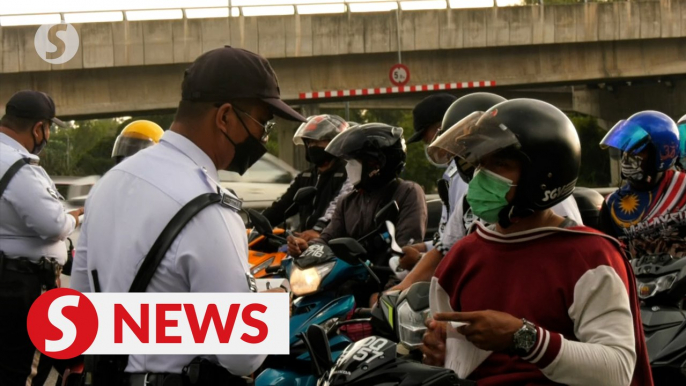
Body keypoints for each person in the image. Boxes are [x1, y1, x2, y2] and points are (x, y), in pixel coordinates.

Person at [70, 46, 306, 383]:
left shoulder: (108, 186)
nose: (262, 139)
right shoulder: (210, 209)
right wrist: (268, 313)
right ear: (224, 117)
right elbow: (241, 355)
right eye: (262, 125)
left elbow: (82, 312)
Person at [420, 99, 651, 386]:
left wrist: (524, 338)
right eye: (480, 163)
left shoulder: (589, 257)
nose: (480, 176)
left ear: (541, 176)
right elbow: (455, 363)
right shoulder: (460, 259)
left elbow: (616, 371)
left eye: (500, 164)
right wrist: (439, 355)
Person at [372, 95, 583, 305]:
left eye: (499, 163)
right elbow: (445, 250)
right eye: (477, 160)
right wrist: (396, 294)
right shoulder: (469, 207)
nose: (478, 171)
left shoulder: (554, 212)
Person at [0, 90, 83, 385]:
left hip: (9, 277)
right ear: (38, 129)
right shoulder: (19, 166)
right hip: (20, 286)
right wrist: (74, 217)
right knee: (22, 373)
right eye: (48, 128)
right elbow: (52, 224)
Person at [287, 123, 427, 267]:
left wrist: (391, 288)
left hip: (384, 279)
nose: (348, 166)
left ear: (375, 164)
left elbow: (406, 251)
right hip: (349, 279)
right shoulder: (348, 201)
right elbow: (327, 239)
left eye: (353, 161)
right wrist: (307, 247)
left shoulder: (407, 192)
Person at [399, 93, 501, 272]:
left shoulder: (465, 176)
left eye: (426, 134)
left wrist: (421, 259)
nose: (426, 141)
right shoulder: (458, 175)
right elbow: (453, 238)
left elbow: (478, 248)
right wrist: (425, 249)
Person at [599, 111, 685, 259]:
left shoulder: (682, 187)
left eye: (637, 150)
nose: (627, 156)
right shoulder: (612, 206)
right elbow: (608, 259)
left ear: (661, 152)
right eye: (626, 149)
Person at [262, 114, 349, 241]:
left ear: (335, 142)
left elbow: (338, 207)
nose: (312, 146)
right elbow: (283, 206)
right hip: (303, 243)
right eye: (309, 142)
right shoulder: (305, 176)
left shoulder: (347, 174)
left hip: (332, 243)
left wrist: (318, 229)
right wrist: (258, 224)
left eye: (317, 141)